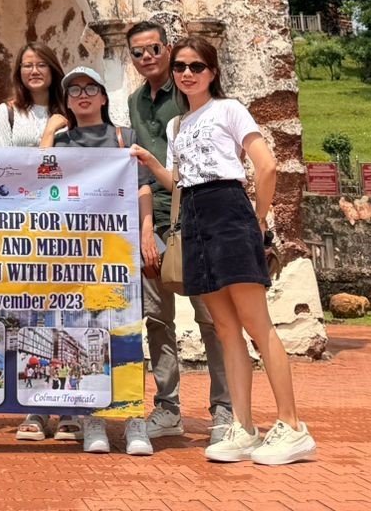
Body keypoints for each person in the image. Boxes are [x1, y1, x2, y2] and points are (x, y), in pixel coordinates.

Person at [131, 36, 317, 466]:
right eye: (179, 66)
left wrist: (258, 216)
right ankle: (244, 426)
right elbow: (180, 181)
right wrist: (152, 164)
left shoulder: (229, 109)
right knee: (226, 328)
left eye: (197, 66)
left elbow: (265, 164)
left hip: (230, 210)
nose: (187, 74)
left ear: (212, 71)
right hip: (193, 217)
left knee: (257, 324)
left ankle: (291, 426)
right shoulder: (178, 125)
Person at [124, 19, 232, 444]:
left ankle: (224, 407)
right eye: (137, 52)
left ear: (167, 50)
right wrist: (146, 228)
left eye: (153, 49)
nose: (146, 57)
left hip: (198, 220)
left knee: (213, 319)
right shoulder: (135, 102)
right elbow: (141, 172)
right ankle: (167, 407)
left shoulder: (190, 94)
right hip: (156, 221)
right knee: (157, 320)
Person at [43, 67, 154, 457]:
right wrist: (47, 134)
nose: (83, 95)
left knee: (126, 331)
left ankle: (134, 418)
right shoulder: (61, 141)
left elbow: (142, 187)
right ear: (68, 102)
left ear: (104, 98)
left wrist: (145, 232)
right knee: (83, 332)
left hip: (120, 250)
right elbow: (37, 182)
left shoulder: (125, 136)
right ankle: (93, 420)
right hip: (75, 251)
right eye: (74, 91)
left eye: (91, 89)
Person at [0, 44, 61, 148]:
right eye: (28, 66)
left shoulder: (68, 110)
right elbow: (0, 160)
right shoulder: (7, 111)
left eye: (42, 65)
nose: (34, 72)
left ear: (52, 70)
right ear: (19, 72)